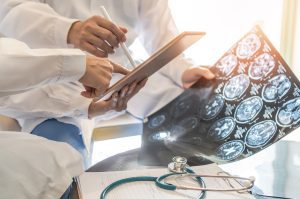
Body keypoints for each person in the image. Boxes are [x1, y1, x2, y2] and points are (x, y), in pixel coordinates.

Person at [0, 0, 215, 166]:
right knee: (62, 161)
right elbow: (11, 11)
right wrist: (70, 31)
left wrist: (181, 69)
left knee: (196, 112)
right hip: (54, 78)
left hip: (122, 72)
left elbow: (160, 29)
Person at [0, 37, 130, 199]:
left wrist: (85, 106)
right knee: (57, 166)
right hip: (50, 152)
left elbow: (11, 91)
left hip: (65, 108)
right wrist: (76, 65)